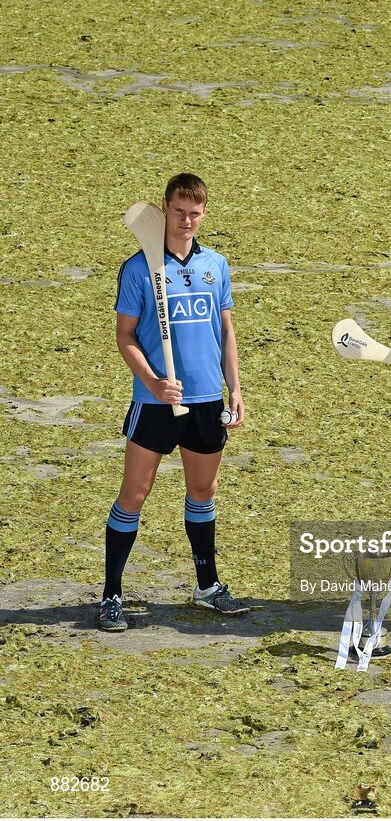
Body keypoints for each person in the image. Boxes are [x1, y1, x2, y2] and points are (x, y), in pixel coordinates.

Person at [98, 172, 249, 631]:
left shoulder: (216, 265)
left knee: (202, 492)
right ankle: (111, 596)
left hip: (206, 400)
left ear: (204, 214)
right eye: (179, 212)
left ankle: (207, 586)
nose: (186, 221)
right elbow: (125, 336)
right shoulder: (138, 268)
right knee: (134, 494)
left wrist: (236, 388)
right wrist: (154, 380)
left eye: (195, 214)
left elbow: (225, 331)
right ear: (165, 210)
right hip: (155, 402)